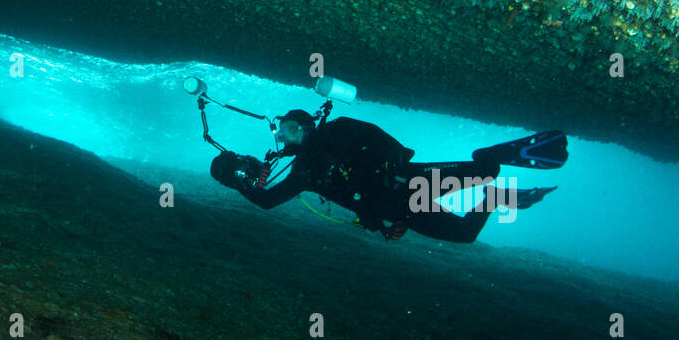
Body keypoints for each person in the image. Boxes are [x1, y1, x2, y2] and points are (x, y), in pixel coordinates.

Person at [210, 110, 564, 243]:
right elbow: (268, 201)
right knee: (464, 234)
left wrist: (391, 164)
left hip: (410, 181)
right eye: (281, 132)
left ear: (305, 125)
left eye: (290, 128)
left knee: (485, 170)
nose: (285, 137)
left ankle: (492, 158)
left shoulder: (338, 129)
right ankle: (496, 199)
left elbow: (385, 141)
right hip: (401, 210)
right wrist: (237, 181)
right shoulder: (304, 172)